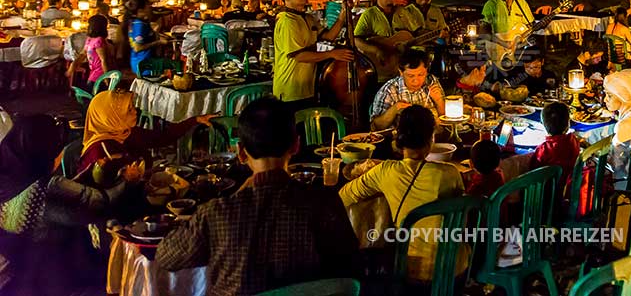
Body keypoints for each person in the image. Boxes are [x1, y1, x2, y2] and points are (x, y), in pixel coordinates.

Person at [158, 98, 358, 294]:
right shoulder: (324, 202)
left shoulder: (216, 213)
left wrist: (236, 196)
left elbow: (165, 256)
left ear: (241, 153)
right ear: (296, 145)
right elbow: (349, 267)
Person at [0, 115, 137, 295]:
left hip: (23, 275)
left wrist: (86, 176)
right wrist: (128, 181)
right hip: (61, 279)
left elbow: (62, 203)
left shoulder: (9, 180)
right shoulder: (49, 189)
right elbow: (100, 204)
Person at [340, 105, 465, 282]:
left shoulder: (384, 171)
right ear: (431, 138)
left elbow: (344, 195)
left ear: (398, 138)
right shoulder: (450, 173)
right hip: (456, 268)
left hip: (412, 271)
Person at [78, 90, 211, 174]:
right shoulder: (100, 153)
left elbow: (162, 138)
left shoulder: (126, 133)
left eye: (132, 107)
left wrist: (194, 120)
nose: (135, 112)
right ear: (112, 118)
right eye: (129, 110)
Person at [273, 0, 351, 107]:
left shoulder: (308, 18)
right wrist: (331, 54)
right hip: (290, 90)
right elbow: (299, 55)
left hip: (307, 88)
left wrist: (342, 17)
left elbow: (326, 38)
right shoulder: (287, 21)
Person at [369, 49, 446, 129]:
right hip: (402, 139)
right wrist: (394, 109)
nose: (416, 81)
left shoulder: (431, 82)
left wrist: (439, 102)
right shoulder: (389, 90)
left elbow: (446, 120)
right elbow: (376, 127)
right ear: (401, 72)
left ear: (426, 70)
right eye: (410, 76)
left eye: (421, 75)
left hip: (432, 137)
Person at [355, 0, 401, 76]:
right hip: (379, 72)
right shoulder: (369, 14)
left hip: (401, 72)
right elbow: (356, 41)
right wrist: (376, 50)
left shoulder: (402, 12)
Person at [531, 102, 581, 184]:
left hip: (549, 189)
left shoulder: (544, 149)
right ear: (568, 124)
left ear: (543, 124)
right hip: (569, 185)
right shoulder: (573, 140)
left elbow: (533, 171)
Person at [124, 0, 171, 76]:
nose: (150, 8)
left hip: (144, 62)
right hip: (143, 64)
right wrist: (159, 42)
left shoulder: (141, 22)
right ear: (141, 10)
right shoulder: (139, 26)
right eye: (148, 6)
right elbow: (138, 48)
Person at [82, 14, 115, 89]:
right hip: (97, 74)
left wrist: (106, 78)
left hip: (97, 75)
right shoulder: (94, 40)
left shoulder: (95, 40)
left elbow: (103, 60)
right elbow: (103, 60)